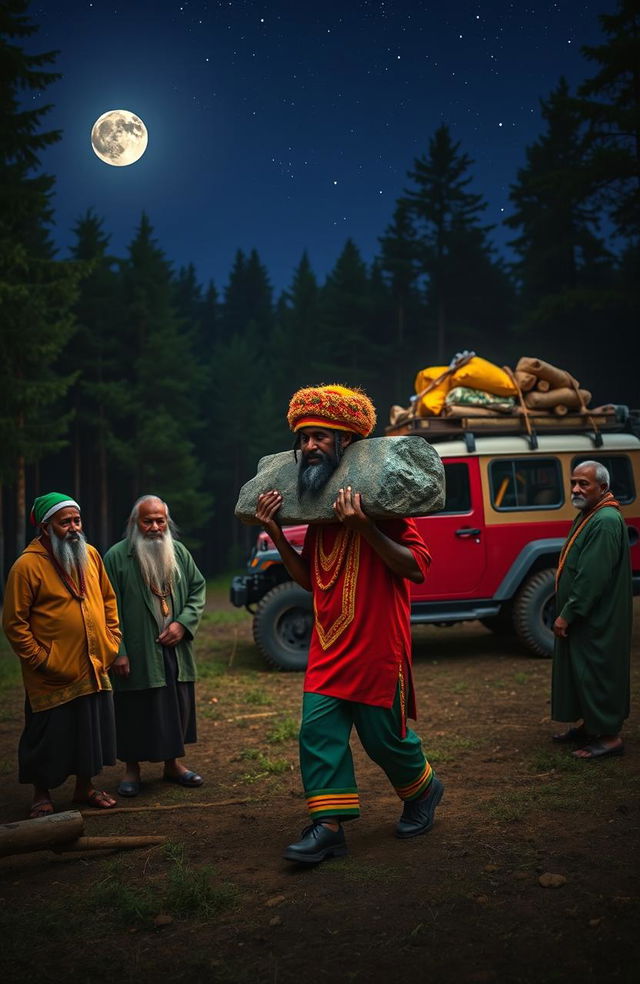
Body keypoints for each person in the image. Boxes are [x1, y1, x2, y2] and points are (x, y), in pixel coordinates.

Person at [256, 384, 442, 864]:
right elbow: (308, 581)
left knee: (384, 738)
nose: (310, 446)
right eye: (304, 439)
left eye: (320, 437)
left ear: (345, 443)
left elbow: (416, 567)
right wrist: (276, 532)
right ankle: (328, 826)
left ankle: (423, 790)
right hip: (327, 642)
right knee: (317, 731)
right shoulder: (318, 514)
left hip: (378, 643)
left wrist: (367, 528)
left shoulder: (384, 505)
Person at [2, 493, 121, 817]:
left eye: (76, 520)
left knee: (90, 732)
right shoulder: (27, 566)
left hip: (95, 665)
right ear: (45, 526)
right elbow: (15, 623)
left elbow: (108, 600)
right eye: (64, 521)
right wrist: (42, 660)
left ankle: (85, 788)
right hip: (51, 673)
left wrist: (112, 639)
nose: (73, 527)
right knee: (48, 737)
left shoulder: (92, 555)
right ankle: (42, 794)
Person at [104, 495, 206, 796]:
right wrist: (118, 652)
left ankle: (172, 765)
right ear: (135, 523)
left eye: (160, 520)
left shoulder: (178, 552)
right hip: (136, 651)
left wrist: (182, 624)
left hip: (174, 648)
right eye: (147, 520)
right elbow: (108, 609)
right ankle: (132, 771)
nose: (154, 526)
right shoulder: (117, 557)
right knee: (134, 709)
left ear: (167, 522)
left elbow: (198, 588)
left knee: (176, 705)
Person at [551, 461, 632, 760]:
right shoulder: (592, 514)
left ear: (603, 488)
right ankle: (591, 726)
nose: (576, 489)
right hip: (588, 616)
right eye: (574, 482)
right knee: (582, 671)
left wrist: (568, 613)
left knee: (598, 670)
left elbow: (592, 577)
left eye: (584, 484)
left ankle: (609, 737)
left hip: (598, 617)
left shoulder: (606, 520)